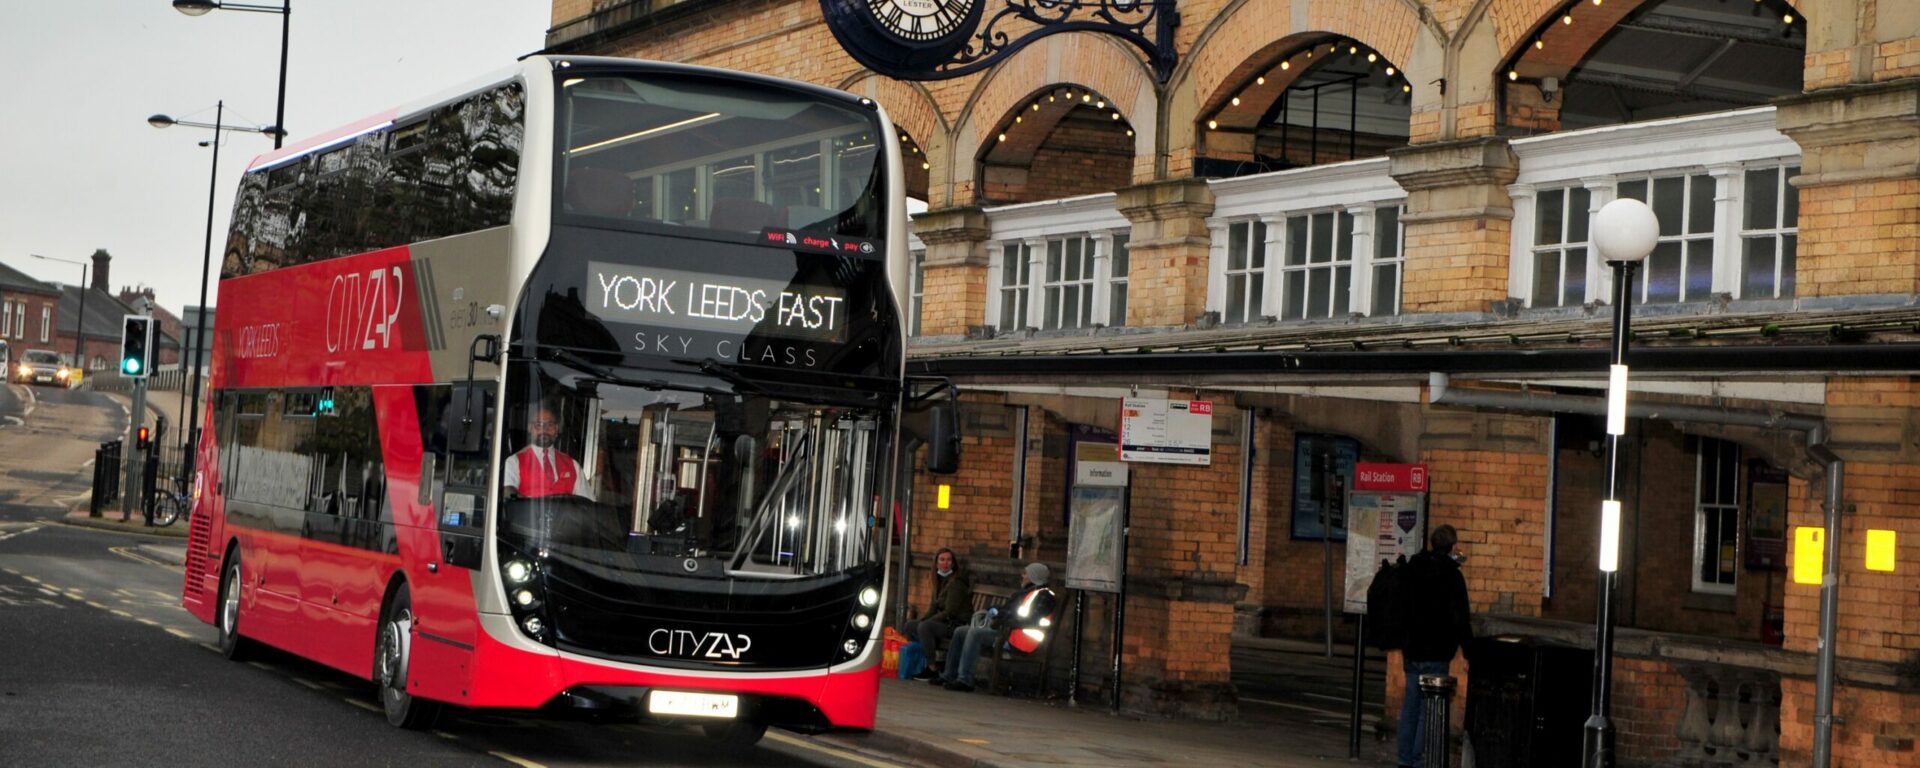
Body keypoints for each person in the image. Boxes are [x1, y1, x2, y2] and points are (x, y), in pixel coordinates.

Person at [1396, 524, 1473, 768]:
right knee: (1428, 710)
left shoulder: (1413, 568)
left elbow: (1402, 607)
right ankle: (1418, 760)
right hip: (1438, 651)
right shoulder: (1452, 575)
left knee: (1410, 706)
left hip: (1413, 650)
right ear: (1452, 547)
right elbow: (1461, 617)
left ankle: (1404, 759)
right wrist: (1469, 652)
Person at [934, 562, 1057, 693]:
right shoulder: (1026, 593)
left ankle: (965, 680)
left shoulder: (1044, 596)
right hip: (1008, 633)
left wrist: (1001, 616)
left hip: (1020, 640)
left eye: (1025, 573)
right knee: (960, 631)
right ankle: (949, 675)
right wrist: (994, 611)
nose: (1022, 576)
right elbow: (1009, 609)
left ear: (1034, 576)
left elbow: (1030, 618)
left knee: (975, 634)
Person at [503, 400, 595, 500]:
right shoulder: (514, 462)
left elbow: (588, 504)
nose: (545, 430)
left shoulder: (573, 465)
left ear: (557, 429)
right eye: (539, 425)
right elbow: (508, 496)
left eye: (550, 425)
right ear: (530, 428)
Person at [903, 548, 971, 679]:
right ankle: (920, 661)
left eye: (949, 560)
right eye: (942, 560)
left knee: (925, 627)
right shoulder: (939, 581)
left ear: (953, 563)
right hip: (943, 622)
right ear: (936, 563)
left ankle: (932, 667)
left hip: (956, 624)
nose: (946, 563)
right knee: (910, 625)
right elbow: (933, 606)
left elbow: (950, 611)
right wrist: (925, 618)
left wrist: (929, 621)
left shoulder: (956, 583)